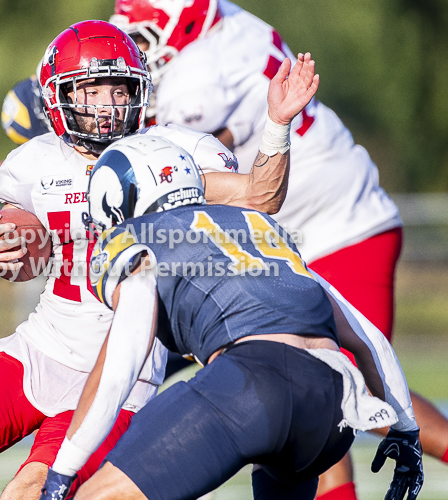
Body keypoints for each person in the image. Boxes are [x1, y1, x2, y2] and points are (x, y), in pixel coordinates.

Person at [0, 20, 319, 500]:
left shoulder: (174, 150)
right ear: (59, 97)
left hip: (122, 370)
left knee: (28, 490)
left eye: (117, 90)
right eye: (91, 90)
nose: (106, 105)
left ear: (138, 92)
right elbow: (13, 233)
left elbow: (260, 197)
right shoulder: (35, 162)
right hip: (39, 351)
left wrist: (278, 126)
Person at [109, 1, 448, 497]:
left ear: (183, 22)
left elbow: (178, 164)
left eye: (143, 35)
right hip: (309, 222)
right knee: (318, 389)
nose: (137, 48)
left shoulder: (197, 74)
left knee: (334, 381)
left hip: (334, 224)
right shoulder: (233, 25)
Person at [39, 134, 424, 500]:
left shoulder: (137, 237)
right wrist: (407, 433)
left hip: (250, 387)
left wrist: (64, 470)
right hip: (332, 404)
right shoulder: (259, 227)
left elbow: (123, 357)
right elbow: (366, 336)